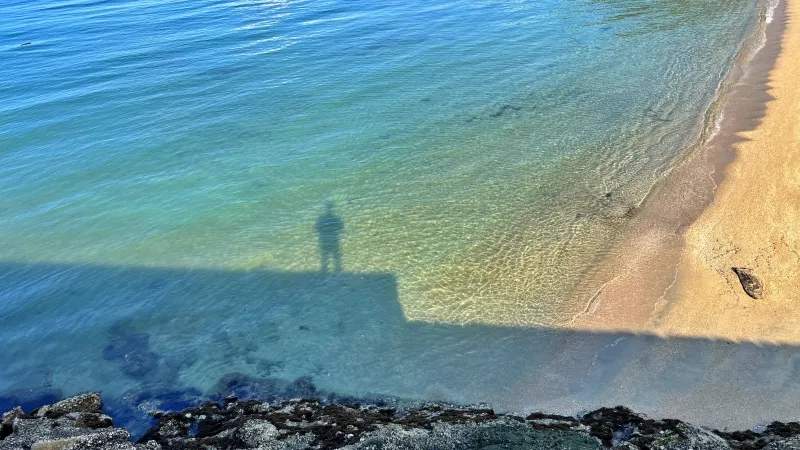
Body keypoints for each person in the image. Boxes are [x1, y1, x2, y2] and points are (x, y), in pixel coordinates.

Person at [315, 202, 344, 273]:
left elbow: (317, 229)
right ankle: (338, 276)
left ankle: (324, 277)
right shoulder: (336, 218)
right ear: (332, 209)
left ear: (325, 209)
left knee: (324, 259)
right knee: (337, 260)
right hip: (334, 240)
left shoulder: (321, 219)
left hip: (324, 240)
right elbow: (341, 228)